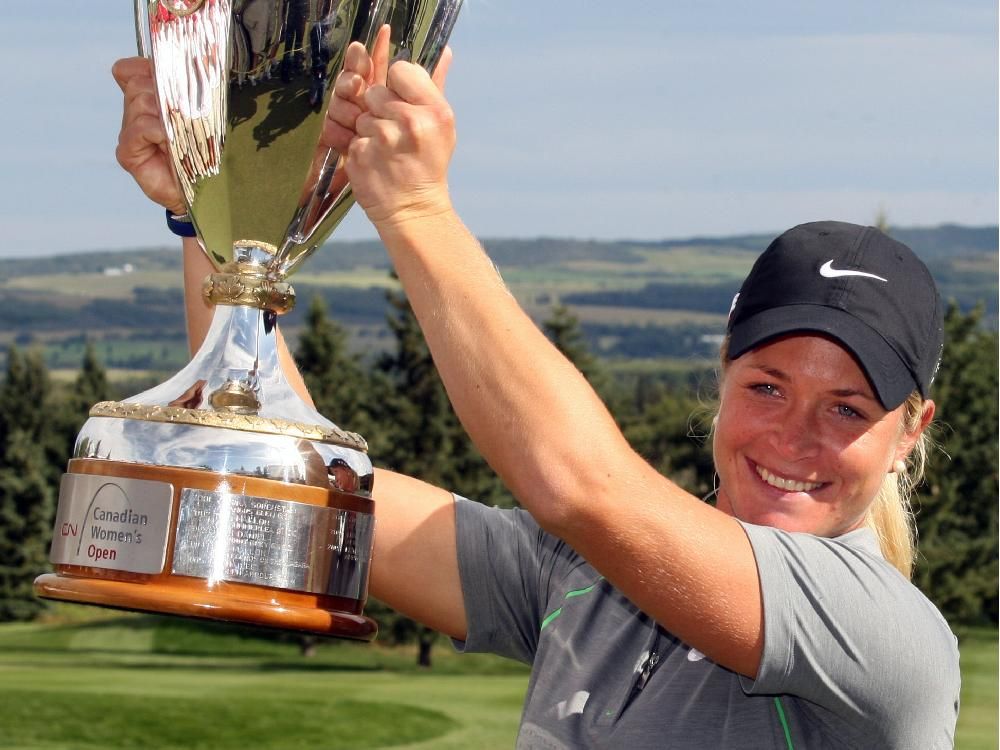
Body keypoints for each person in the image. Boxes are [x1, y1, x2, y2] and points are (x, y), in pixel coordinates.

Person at [112, 28, 960, 749]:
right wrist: (215, 214)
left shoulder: (887, 640)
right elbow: (285, 480)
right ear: (724, 378)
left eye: (848, 407)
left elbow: (577, 483)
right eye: (769, 386)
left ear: (910, 432)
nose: (793, 437)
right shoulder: (583, 576)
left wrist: (414, 211)